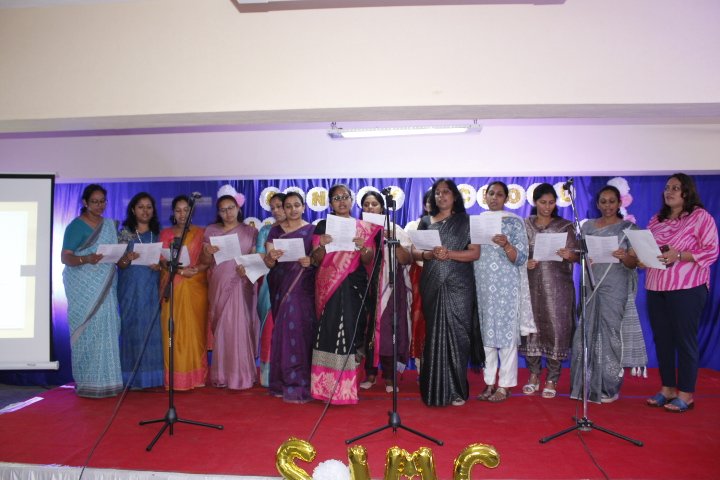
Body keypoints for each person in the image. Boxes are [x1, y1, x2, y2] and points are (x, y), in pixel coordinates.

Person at [645, 173, 718, 412]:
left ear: (687, 192)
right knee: (663, 340)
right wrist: (640, 256)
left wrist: (679, 255)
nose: (669, 191)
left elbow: (712, 250)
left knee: (685, 341)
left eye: (675, 188)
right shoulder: (656, 220)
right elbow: (649, 249)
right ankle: (667, 389)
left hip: (687, 287)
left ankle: (686, 394)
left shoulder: (700, 217)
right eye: (667, 187)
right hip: (656, 286)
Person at [309, 184, 382, 404]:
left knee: (351, 333)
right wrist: (322, 245)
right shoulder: (323, 226)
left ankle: (346, 389)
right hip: (329, 288)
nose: (341, 201)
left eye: (345, 197)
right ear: (330, 203)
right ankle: (323, 387)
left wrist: (363, 248)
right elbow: (316, 259)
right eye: (336, 198)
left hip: (354, 287)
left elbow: (369, 259)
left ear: (352, 200)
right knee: (327, 333)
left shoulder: (362, 227)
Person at [411, 179, 481, 407]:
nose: (441, 196)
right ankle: (435, 390)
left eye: (446, 192)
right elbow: (414, 251)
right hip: (433, 282)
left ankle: (457, 390)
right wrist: (429, 255)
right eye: (437, 193)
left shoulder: (468, 221)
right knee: (435, 333)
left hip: (460, 284)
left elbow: (475, 253)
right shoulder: (425, 221)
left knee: (460, 336)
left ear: (455, 196)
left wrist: (449, 254)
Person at [569, 185, 641, 404]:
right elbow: (579, 256)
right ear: (597, 204)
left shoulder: (629, 228)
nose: (607, 205)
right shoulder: (588, 226)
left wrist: (623, 257)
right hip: (591, 284)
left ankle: (609, 388)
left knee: (610, 335)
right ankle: (583, 386)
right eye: (603, 201)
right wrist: (580, 257)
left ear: (619, 203)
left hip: (615, 286)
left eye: (612, 201)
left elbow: (634, 262)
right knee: (585, 334)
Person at [60, 184, 123, 398]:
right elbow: (65, 257)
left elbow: (115, 257)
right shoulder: (76, 226)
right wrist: (86, 258)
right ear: (85, 203)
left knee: (107, 329)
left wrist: (123, 256)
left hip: (105, 288)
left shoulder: (109, 226)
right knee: (88, 333)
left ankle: (109, 382)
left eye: (102, 201)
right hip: (84, 289)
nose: (99, 205)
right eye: (94, 202)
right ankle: (88, 382)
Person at [474, 181, 534, 403]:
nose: (494, 198)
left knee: (507, 336)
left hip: (507, 286)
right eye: (491, 193)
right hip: (482, 285)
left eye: (500, 194)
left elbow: (521, 258)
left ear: (506, 198)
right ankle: (489, 382)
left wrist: (507, 245)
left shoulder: (514, 222)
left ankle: (505, 385)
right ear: (485, 196)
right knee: (486, 337)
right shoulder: (477, 222)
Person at [519, 183, 577, 398]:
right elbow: (516, 254)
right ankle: (534, 375)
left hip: (558, 288)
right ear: (535, 202)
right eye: (543, 202)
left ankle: (552, 378)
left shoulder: (565, 226)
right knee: (531, 328)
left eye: (551, 202)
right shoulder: (525, 225)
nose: (547, 207)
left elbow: (577, 255)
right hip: (531, 286)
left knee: (556, 329)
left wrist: (569, 255)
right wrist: (525, 262)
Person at [201, 195, 259, 390]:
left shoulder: (250, 231)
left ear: (238, 208)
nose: (228, 213)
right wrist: (207, 252)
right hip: (219, 284)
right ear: (218, 213)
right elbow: (205, 262)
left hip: (242, 284)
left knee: (240, 327)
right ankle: (222, 375)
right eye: (223, 210)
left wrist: (247, 268)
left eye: (231, 208)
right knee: (223, 329)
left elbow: (254, 258)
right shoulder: (211, 231)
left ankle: (242, 375)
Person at [358, 190, 413, 394]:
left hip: (391, 288)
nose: (370, 208)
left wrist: (394, 242)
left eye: (374, 204)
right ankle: (370, 374)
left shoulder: (394, 229)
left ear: (382, 208)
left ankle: (390, 377)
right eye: (366, 205)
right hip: (366, 287)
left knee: (389, 331)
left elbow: (406, 259)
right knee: (368, 330)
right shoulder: (360, 230)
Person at [263, 192, 316, 403]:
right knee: (283, 333)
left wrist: (310, 261)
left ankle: (299, 384)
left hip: (302, 288)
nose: (293, 209)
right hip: (280, 286)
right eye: (288, 206)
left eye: (296, 205)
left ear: (303, 207)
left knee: (299, 333)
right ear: (283, 209)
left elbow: (318, 259)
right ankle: (281, 383)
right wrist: (271, 257)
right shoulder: (275, 231)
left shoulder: (312, 231)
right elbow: (269, 263)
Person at [159, 194, 209, 390]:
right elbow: (162, 261)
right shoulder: (165, 234)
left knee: (195, 335)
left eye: (186, 210)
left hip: (196, 288)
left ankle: (196, 377)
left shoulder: (201, 233)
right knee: (172, 333)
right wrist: (180, 271)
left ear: (192, 212)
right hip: (172, 288)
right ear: (173, 212)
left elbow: (206, 262)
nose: (182, 214)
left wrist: (197, 269)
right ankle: (176, 379)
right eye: (178, 210)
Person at [117, 192, 164, 389]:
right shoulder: (124, 234)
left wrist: (160, 266)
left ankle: (153, 379)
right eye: (141, 207)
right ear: (133, 210)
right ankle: (132, 379)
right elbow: (119, 263)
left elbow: (166, 263)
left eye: (149, 207)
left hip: (152, 289)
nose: (145, 211)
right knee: (132, 331)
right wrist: (127, 258)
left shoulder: (159, 234)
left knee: (152, 331)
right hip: (130, 290)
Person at [256, 193, 287, 387]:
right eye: (273, 208)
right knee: (270, 328)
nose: (276, 211)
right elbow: (261, 256)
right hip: (270, 285)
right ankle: (268, 376)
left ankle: (291, 373)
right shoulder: (266, 230)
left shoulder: (302, 229)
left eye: (280, 206)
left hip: (295, 283)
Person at [405, 190, 433, 372]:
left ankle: (440, 367)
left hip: (444, 277)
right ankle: (421, 367)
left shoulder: (451, 225)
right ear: (424, 205)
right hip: (419, 276)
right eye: (430, 201)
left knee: (439, 321)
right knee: (419, 319)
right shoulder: (414, 225)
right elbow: (408, 254)